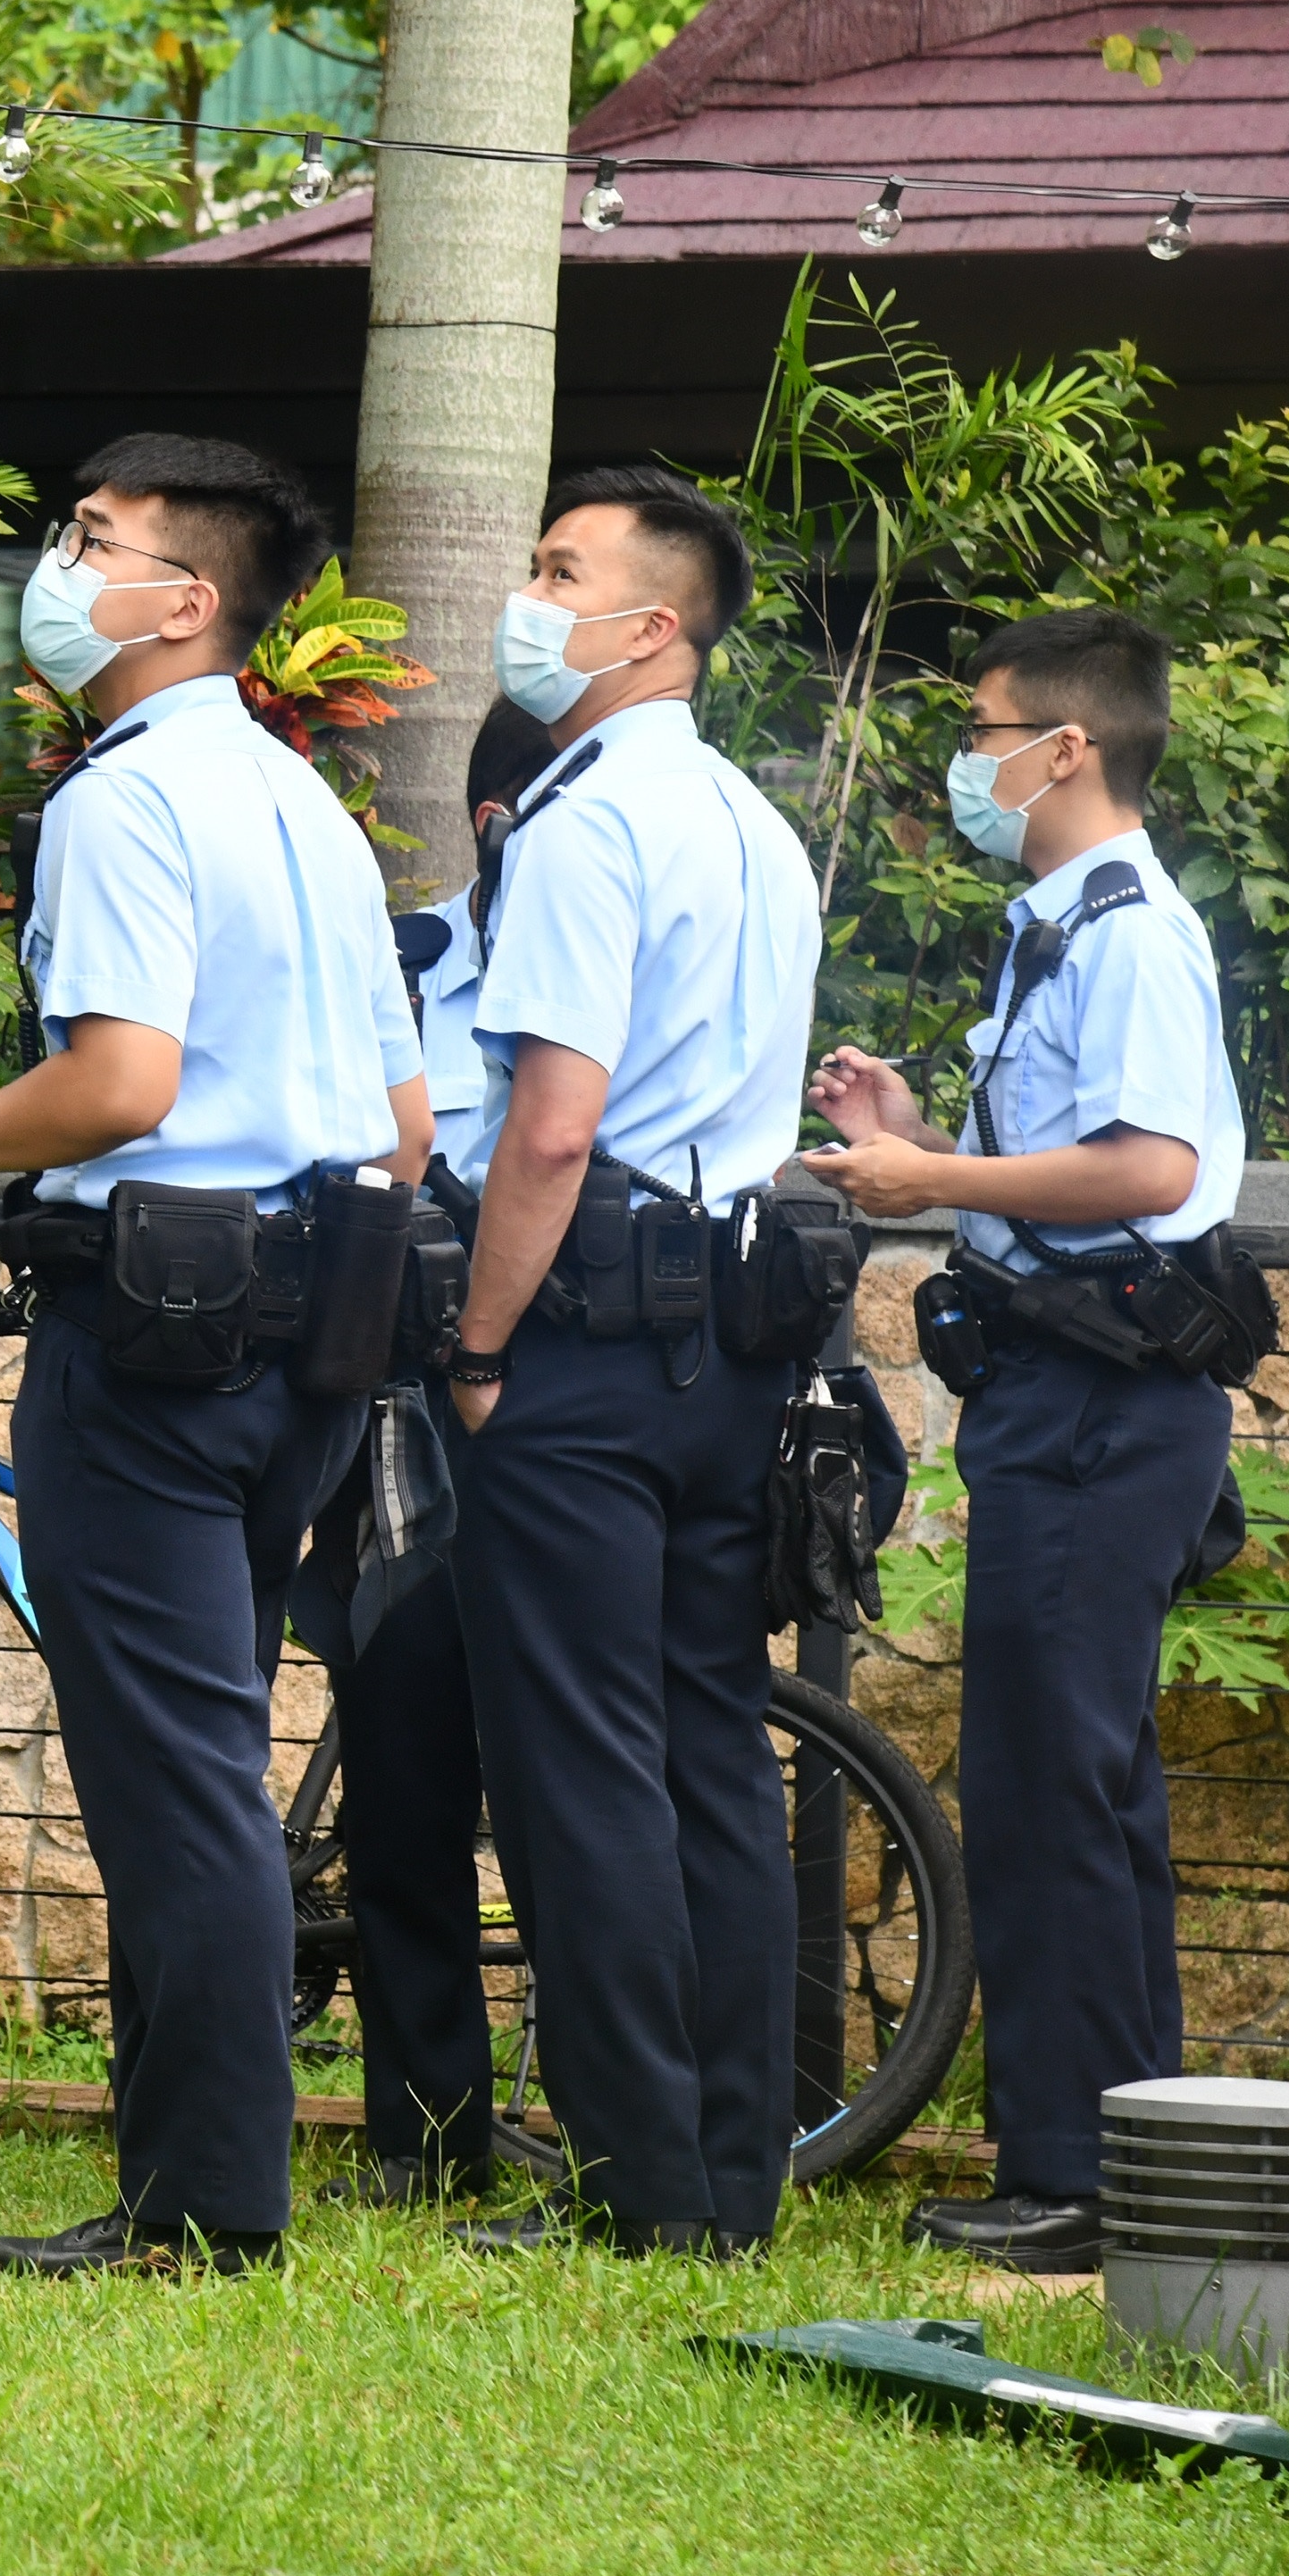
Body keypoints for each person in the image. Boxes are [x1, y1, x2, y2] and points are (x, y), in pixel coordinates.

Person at [0, 435, 430, 2277]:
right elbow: (408, 1124)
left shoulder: (126, 800)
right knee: (214, 1749)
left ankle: (203, 2203)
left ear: (186, 601)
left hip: (161, 1338)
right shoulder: (309, 808)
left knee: (176, 1771)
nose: (55, 561)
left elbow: (121, 1082)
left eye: (89, 537)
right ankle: (200, 2169)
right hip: (316, 1331)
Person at [802, 609, 1247, 2276]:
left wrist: (933, 1190)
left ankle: (1072, 2175)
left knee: (1049, 1785)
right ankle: (1121, 2150)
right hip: (1068, 1387)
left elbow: (1146, 1172)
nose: (965, 759)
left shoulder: (1127, 932)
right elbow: (1073, 1154)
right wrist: (918, 1137)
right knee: (1080, 1779)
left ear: (1066, 747)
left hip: (1100, 1397)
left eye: (983, 728)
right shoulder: (1062, 928)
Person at [434, 464, 822, 2260]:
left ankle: (637, 2192)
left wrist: (482, 1342)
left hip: (587, 1338)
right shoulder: (752, 817)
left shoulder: (590, 820)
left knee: (581, 1771)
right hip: (730, 1339)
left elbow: (549, 1129)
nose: (530, 594)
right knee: (709, 1757)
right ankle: (729, 2178)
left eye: (559, 570)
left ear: (652, 625)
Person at [318, 692, 562, 2205]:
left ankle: (621, 2134)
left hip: (567, 1418)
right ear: (497, 829)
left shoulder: (623, 960)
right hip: (405, 1424)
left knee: (567, 1777)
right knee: (399, 1779)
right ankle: (422, 2139)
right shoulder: (394, 964)